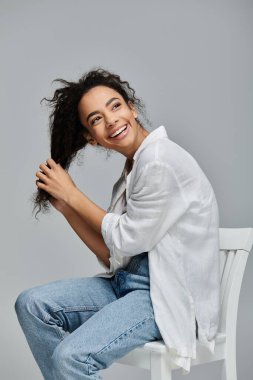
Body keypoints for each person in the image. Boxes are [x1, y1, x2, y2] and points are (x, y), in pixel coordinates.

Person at [14, 67, 221, 379]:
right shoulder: (133, 169)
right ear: (92, 139)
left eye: (115, 106)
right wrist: (68, 208)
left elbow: (126, 240)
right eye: (96, 119)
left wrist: (73, 194)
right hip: (126, 287)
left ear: (131, 108)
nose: (111, 120)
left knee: (70, 358)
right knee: (32, 305)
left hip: (164, 297)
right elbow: (112, 256)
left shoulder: (160, 160)